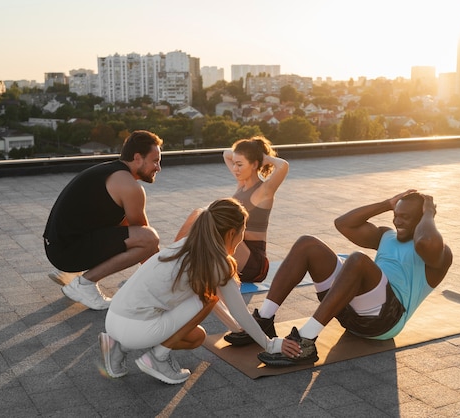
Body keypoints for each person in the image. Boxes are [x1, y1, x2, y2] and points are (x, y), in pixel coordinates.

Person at [98, 198, 301, 384]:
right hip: (136, 327)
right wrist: (271, 345)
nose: (242, 237)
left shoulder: (186, 244)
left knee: (197, 337)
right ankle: (157, 358)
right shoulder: (218, 263)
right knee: (207, 298)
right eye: (243, 230)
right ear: (232, 233)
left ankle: (117, 348)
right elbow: (236, 310)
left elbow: (225, 309)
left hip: (114, 320)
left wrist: (236, 328)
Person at [240, 190, 453, 367]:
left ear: (422, 218)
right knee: (308, 244)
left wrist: (429, 212)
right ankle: (263, 321)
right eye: (396, 215)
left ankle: (305, 341)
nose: (397, 221)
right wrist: (387, 204)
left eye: (405, 217)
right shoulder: (385, 236)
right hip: (350, 312)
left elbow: (425, 241)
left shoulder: (438, 255)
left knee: (358, 260)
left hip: (384, 321)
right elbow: (343, 224)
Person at [43, 130, 163, 310]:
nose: (158, 168)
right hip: (66, 252)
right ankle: (84, 285)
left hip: (57, 247)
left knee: (134, 234)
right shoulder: (129, 186)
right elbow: (146, 240)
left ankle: (75, 274)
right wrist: (162, 279)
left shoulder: (110, 171)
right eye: (155, 161)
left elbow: (127, 230)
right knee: (149, 238)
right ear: (138, 158)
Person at [175, 136, 289, 284]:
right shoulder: (242, 184)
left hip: (253, 262)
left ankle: (177, 262)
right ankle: (174, 257)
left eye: (240, 165)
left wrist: (262, 157)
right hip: (234, 248)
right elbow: (226, 153)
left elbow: (283, 165)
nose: (235, 168)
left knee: (211, 221)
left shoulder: (263, 191)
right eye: (234, 164)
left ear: (254, 165)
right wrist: (250, 151)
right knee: (198, 214)